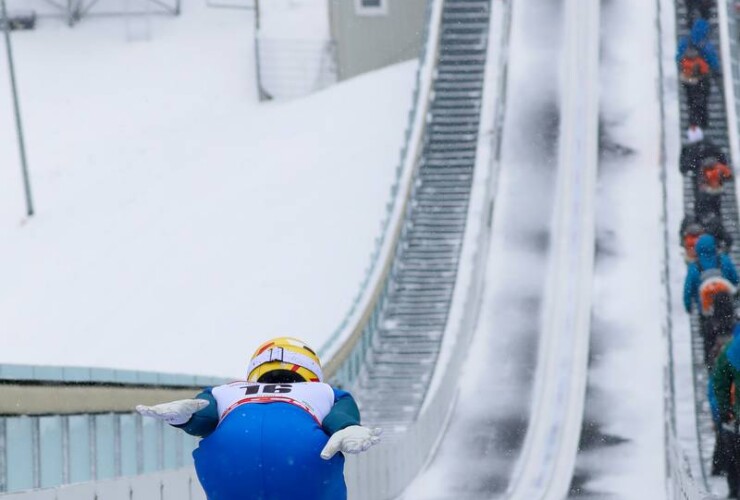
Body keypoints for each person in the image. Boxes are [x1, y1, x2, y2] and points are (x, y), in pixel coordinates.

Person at [136, 337, 381, 500]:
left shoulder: (226, 391)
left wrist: (183, 418)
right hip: (303, 463)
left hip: (229, 465)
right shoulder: (324, 392)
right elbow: (340, 415)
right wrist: (348, 427)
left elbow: (203, 415)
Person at [684, 234, 739, 367]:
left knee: (708, 337)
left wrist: (689, 306)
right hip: (726, 307)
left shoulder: (694, 268)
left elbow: (688, 290)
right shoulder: (724, 260)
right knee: (732, 330)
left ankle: (710, 363)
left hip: (707, 311)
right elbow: (736, 279)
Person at [677, 19, 721, 128]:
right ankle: (703, 123)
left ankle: (693, 123)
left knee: (691, 101)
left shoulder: (685, 41)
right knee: (702, 101)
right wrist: (716, 72)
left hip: (687, 79)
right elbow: (713, 61)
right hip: (702, 79)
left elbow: (678, 57)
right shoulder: (706, 44)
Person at [712, 326, 740, 497]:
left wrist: (724, 411)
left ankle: (735, 491)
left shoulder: (732, 349)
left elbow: (719, 381)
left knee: (734, 459)